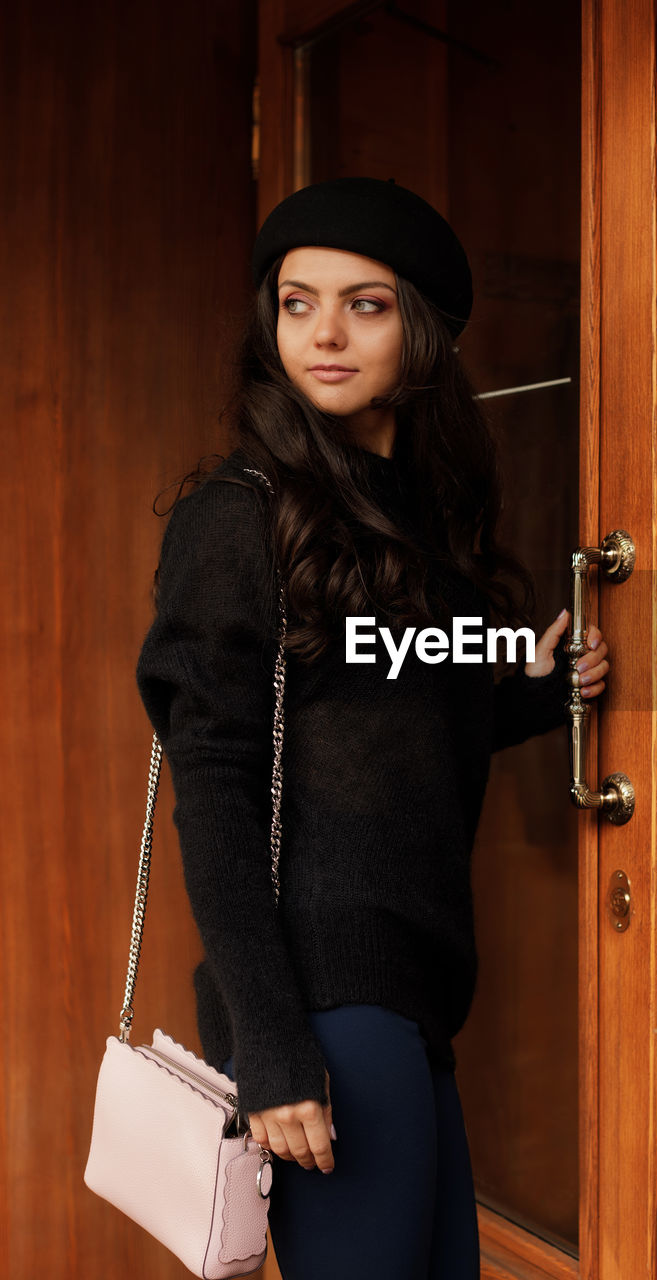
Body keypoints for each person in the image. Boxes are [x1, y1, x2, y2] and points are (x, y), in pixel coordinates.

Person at [135, 176, 609, 1280]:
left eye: (366, 304)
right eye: (297, 304)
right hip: (322, 998)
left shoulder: (405, 516)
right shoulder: (237, 514)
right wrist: (272, 1042)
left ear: (423, 331)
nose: (326, 334)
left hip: (411, 990)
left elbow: (384, 712)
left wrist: (541, 685)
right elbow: (212, 779)